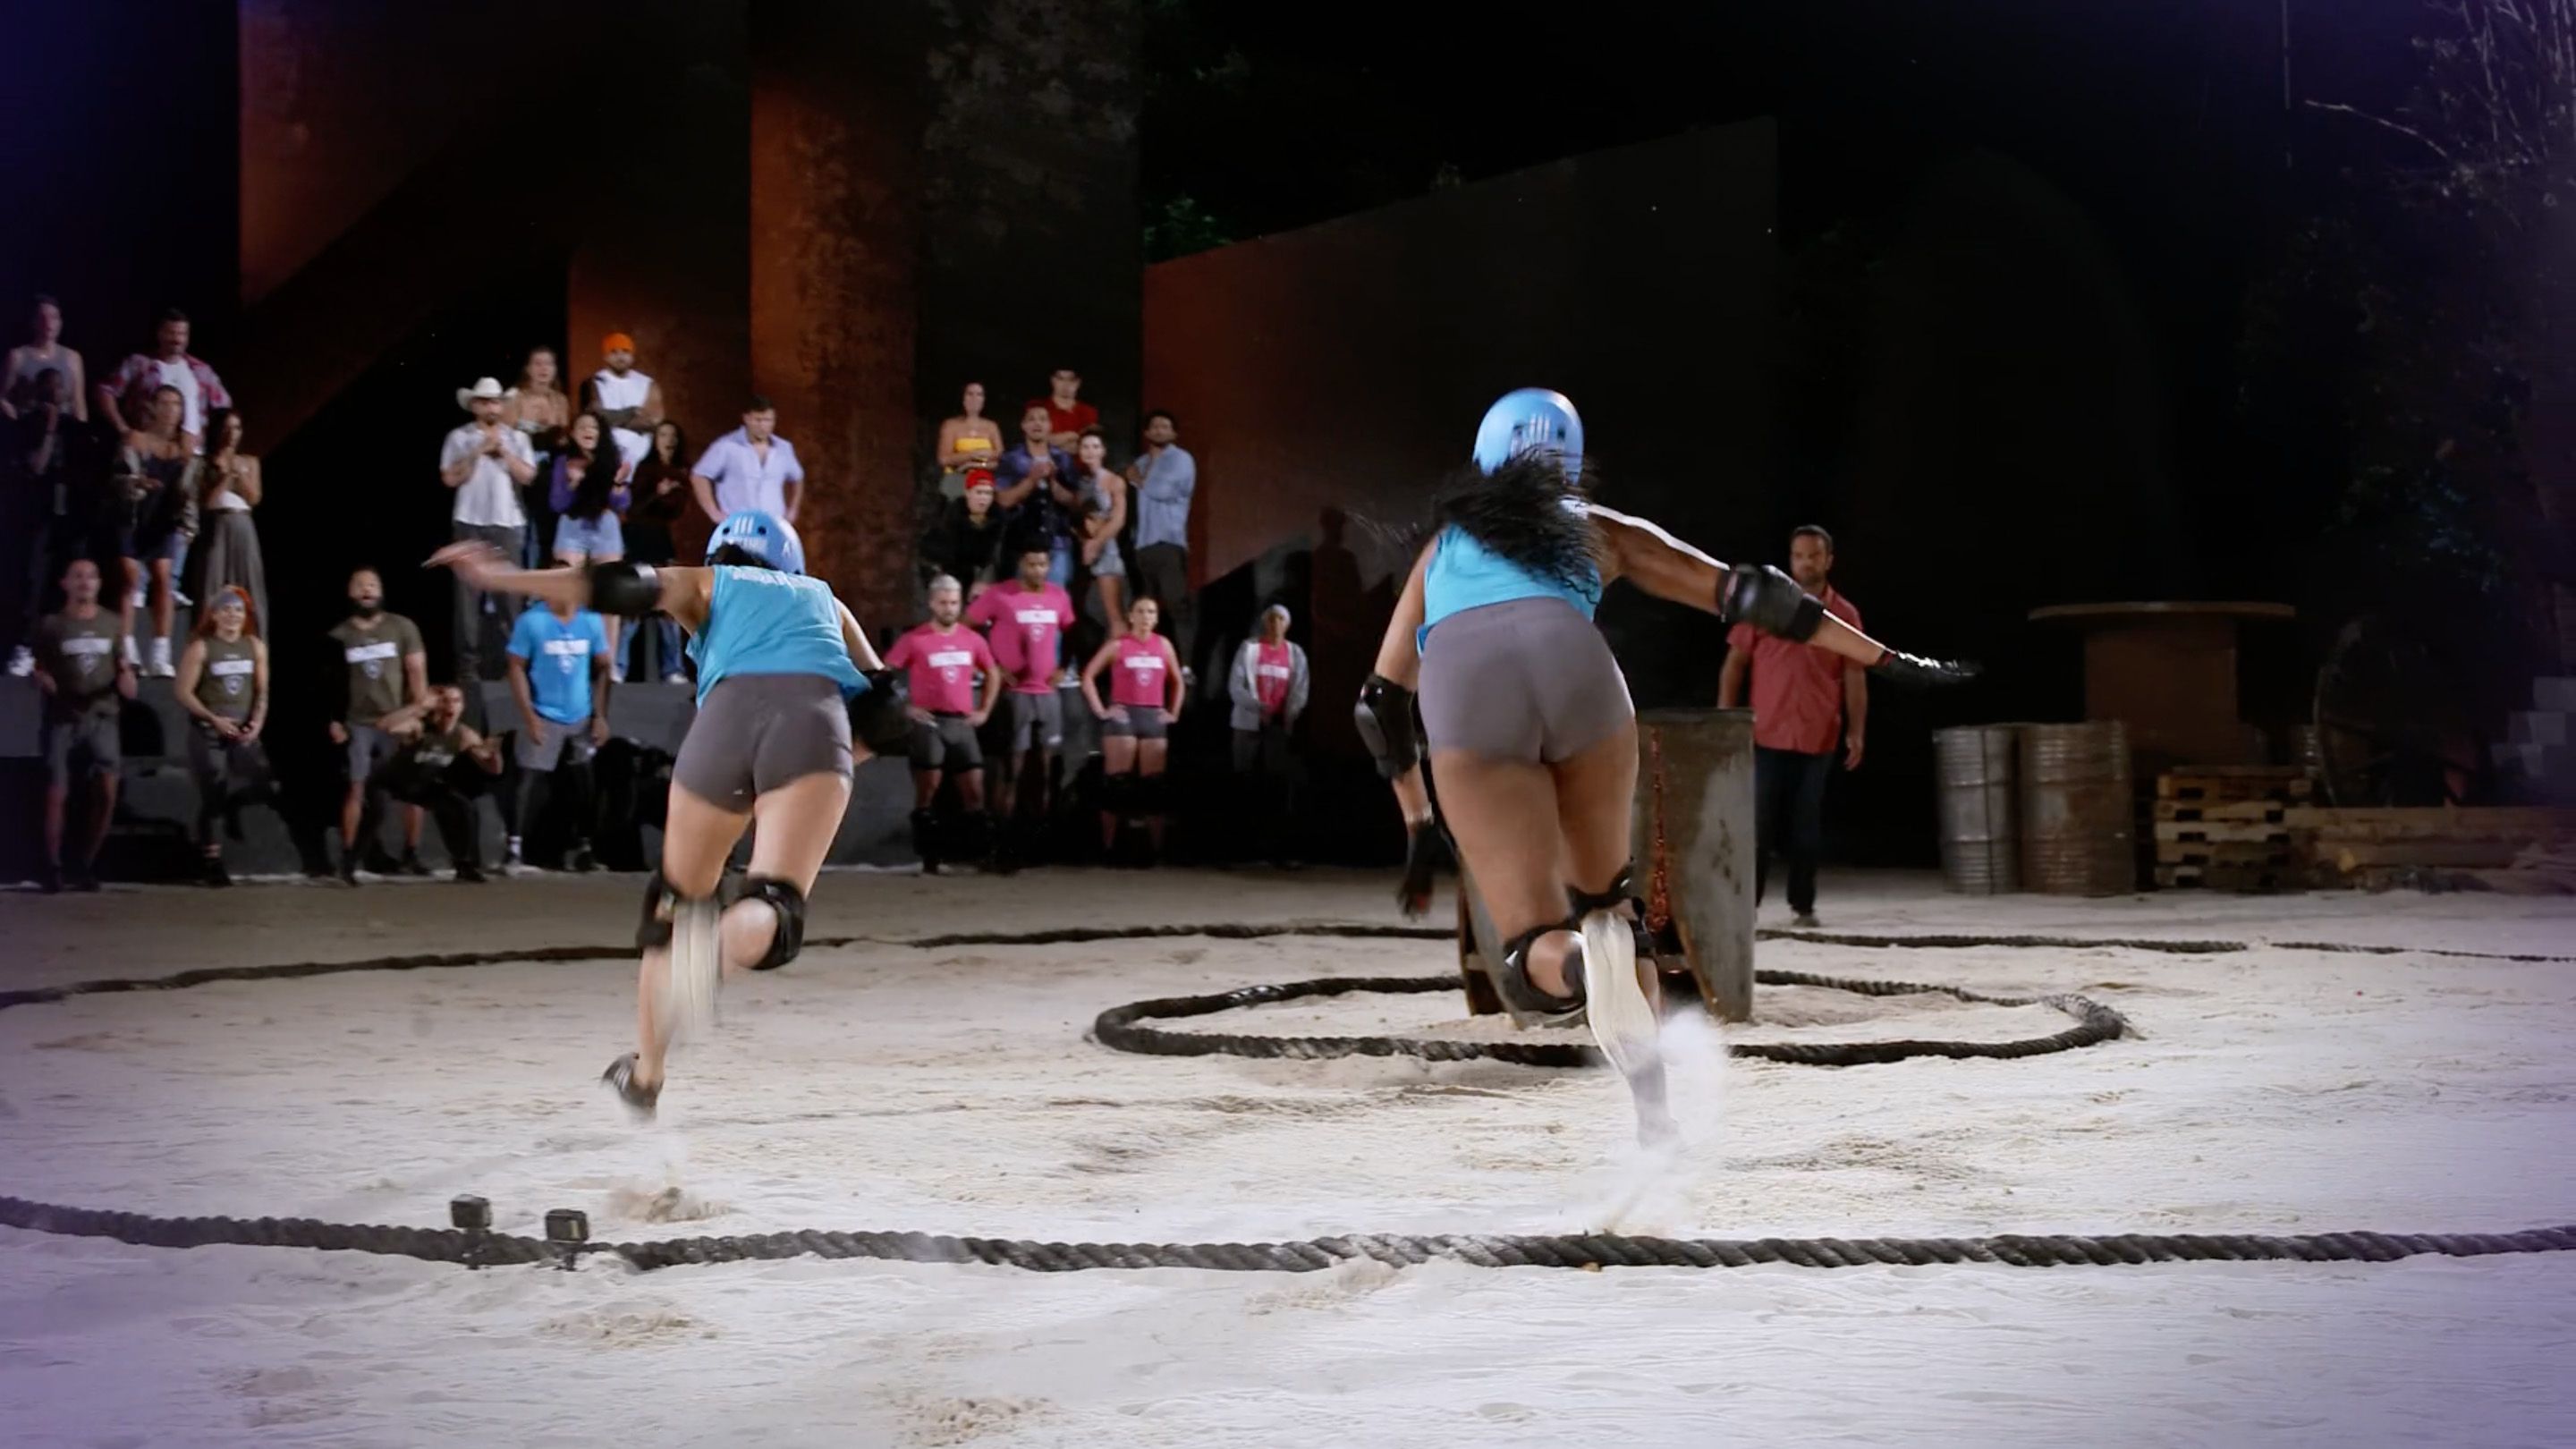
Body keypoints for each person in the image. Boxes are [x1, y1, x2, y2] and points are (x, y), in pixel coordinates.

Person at [1358, 389, 1974, 1144]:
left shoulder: (1441, 550)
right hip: (1577, 671)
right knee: (1614, 910)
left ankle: (1578, 970)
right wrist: (1889, 660)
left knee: (1529, 950)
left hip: (1470, 694)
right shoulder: (1598, 528)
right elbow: (1752, 594)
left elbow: (1380, 705)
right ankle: (1654, 1119)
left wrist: (1418, 820)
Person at [429, 509, 911, 1118]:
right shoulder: (824, 600)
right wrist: (830, 763)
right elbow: (889, 711)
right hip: (813, 726)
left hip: (722, 725)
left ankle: (645, 1077)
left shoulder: (707, 583)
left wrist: (501, 577)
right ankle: (711, 961)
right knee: (775, 903)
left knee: (674, 909)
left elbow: (611, 585)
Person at [1717, 525, 1867, 928]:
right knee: (1759, 824)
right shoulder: (1765, 606)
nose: (1806, 563)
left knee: (1806, 828)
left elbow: (1854, 675)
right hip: (1766, 733)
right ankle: (1746, 907)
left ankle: (1803, 905)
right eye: (1799, 556)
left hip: (1819, 735)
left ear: (1828, 560)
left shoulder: (1844, 615)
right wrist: (1725, 719)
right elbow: (1735, 664)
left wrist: (1857, 730)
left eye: (1814, 556)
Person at [965, 540, 1080, 868]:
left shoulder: (1058, 596)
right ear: (1021, 565)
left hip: (1047, 694)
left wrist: (1063, 666)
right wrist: (993, 667)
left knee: (1044, 770)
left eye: (1043, 564)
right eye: (1032, 564)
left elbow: (1073, 632)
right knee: (1010, 770)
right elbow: (966, 628)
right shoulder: (1000, 595)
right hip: (1014, 695)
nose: (1038, 570)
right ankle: (1002, 845)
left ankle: (1037, 844)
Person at [884, 574, 1002, 873]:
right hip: (930, 723)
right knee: (928, 791)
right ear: (932, 604)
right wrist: (906, 707)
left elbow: (993, 673)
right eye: (943, 603)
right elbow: (885, 675)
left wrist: (985, 710)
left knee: (974, 791)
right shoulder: (915, 639)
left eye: (954, 603)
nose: (949, 608)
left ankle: (981, 856)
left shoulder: (972, 639)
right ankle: (929, 859)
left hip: (961, 722)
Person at [30, 556, 134, 892]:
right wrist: (41, 676)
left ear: (99, 584)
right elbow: (38, 664)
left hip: (102, 716)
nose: (85, 582)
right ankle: (53, 866)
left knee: (106, 789)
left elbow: (123, 666)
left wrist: (127, 676)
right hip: (63, 716)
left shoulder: (112, 623)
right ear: (65, 583)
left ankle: (85, 864)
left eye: (91, 576)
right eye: (77, 576)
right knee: (56, 790)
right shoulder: (52, 625)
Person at [504, 569, 612, 873]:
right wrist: (529, 716)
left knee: (584, 784)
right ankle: (513, 848)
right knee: (526, 781)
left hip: (580, 715)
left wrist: (600, 715)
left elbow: (604, 668)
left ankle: (584, 848)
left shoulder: (591, 621)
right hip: (544, 712)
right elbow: (515, 667)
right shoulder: (531, 622)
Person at [326, 567, 428, 882]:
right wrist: (335, 720)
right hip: (359, 723)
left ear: (381, 591)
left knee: (412, 789)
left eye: (372, 584)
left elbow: (416, 672)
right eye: (360, 585)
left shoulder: (402, 627)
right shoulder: (340, 635)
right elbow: (331, 683)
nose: (367, 590)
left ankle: (411, 853)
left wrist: (417, 712)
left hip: (397, 720)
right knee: (357, 787)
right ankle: (348, 857)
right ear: (350, 593)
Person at [438, 377, 537, 686]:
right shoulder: (459, 437)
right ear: (474, 406)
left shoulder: (517, 438)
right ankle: (468, 667)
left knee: (510, 597)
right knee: (467, 600)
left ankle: (516, 664)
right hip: (469, 521)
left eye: (495, 401)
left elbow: (528, 476)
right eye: (484, 401)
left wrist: (503, 452)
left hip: (506, 522)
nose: (491, 407)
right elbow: (449, 479)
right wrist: (477, 450)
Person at [355, 684, 503, 884]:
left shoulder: (464, 735)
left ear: (462, 707)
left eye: (456, 701)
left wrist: (494, 755)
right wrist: (419, 706)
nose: (450, 706)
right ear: (437, 705)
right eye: (445, 701)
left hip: (422, 787)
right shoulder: (420, 726)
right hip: (391, 782)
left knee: (461, 806)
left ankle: (464, 864)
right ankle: (351, 863)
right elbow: (384, 726)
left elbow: (493, 768)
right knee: (377, 812)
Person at [173, 586, 270, 886]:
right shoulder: (201, 647)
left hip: (243, 731)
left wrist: (257, 722)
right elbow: (183, 692)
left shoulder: (254, 646)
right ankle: (212, 860)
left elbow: (261, 691)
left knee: (262, 779)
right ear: (214, 615)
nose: (232, 615)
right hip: (209, 732)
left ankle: (233, 810)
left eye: (238, 610)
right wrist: (212, 719)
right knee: (213, 788)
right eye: (226, 609)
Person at [1080, 595, 1182, 861]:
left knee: (1153, 786)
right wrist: (1102, 711)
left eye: (1151, 612)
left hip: (1152, 716)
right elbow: (1088, 676)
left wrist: (1173, 713)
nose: (1146, 617)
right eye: (1141, 611)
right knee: (1117, 785)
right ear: (1131, 616)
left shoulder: (1163, 645)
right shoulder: (1118, 645)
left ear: (1156, 618)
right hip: (1124, 715)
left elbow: (1178, 681)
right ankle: (1110, 848)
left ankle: (1155, 851)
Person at [111, 385, 196, 676]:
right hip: (134, 516)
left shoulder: (184, 448)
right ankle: (127, 647)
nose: (170, 410)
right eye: (164, 403)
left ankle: (160, 652)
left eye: (176, 404)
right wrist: (137, 483)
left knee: (162, 578)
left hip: (163, 520)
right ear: (153, 406)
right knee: (130, 578)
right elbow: (116, 479)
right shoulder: (136, 439)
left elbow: (189, 492)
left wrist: (187, 524)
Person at [1228, 603, 1309, 867]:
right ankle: (1243, 849)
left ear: (1287, 624)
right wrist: (1258, 707)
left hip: (1278, 726)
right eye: (1271, 620)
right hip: (1248, 724)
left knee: (1277, 784)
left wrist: (1288, 713)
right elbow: (1236, 686)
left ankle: (1277, 849)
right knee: (1245, 780)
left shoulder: (1295, 653)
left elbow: (1300, 689)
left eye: (1280, 620)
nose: (1275, 625)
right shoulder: (1249, 648)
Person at [550, 411, 630, 674]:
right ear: (573, 433)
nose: (588, 431)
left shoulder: (613, 460)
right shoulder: (564, 461)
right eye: (582, 426)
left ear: (600, 433)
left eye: (593, 427)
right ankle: (567, 659)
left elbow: (622, 503)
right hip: (573, 524)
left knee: (610, 596)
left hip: (605, 525)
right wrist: (573, 483)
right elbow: (557, 503)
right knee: (567, 590)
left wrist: (618, 484)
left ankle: (608, 664)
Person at [180, 408, 266, 640]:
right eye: (226, 428)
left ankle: (253, 642)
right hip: (217, 524)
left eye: (236, 428)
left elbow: (254, 497)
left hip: (243, 524)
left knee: (249, 583)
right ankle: (206, 642)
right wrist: (226, 477)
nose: (231, 434)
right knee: (213, 582)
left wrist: (240, 474)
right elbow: (206, 503)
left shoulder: (250, 461)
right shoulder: (203, 463)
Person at [1125, 408, 1196, 666]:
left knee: (1176, 605)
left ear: (1174, 433)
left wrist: (1138, 480)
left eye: (1165, 427)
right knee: (1145, 609)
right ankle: (1148, 661)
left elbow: (1162, 490)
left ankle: (1185, 665)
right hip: (1143, 544)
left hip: (1169, 542)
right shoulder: (1142, 462)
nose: (1159, 431)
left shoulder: (1181, 459)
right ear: (1146, 432)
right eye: (1154, 426)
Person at [623, 419, 690, 682]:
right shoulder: (645, 468)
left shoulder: (680, 472)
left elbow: (675, 508)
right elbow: (634, 509)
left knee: (668, 605)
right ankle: (618, 666)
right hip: (639, 538)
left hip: (662, 541)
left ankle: (673, 669)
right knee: (634, 604)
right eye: (663, 434)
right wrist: (657, 493)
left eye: (672, 435)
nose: (668, 440)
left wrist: (666, 495)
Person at [97, 309, 228, 445]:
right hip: (149, 447)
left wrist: (211, 435)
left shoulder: (202, 370)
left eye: (182, 334)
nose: (177, 339)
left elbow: (224, 407)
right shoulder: (140, 364)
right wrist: (123, 429)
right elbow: (105, 391)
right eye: (172, 333)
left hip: (193, 451)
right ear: (160, 334)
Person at [990, 404, 1080, 589]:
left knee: (1054, 599)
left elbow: (1075, 502)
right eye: (1031, 419)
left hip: (1057, 542)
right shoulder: (1011, 459)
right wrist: (1031, 480)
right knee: (1018, 600)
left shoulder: (1063, 459)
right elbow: (1003, 501)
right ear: (1023, 426)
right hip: (1020, 543)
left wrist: (1053, 482)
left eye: (1042, 419)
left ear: (1050, 426)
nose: (1037, 423)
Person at [690, 396, 803, 523]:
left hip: (774, 524)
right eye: (758, 420)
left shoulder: (784, 448)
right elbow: (699, 476)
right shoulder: (726, 446)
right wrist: (714, 513)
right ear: (746, 418)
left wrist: (793, 509)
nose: (763, 426)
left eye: (768, 420)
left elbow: (797, 477)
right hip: (739, 525)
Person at [508, 346, 573, 567]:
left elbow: (563, 437)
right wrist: (536, 427)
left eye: (549, 364)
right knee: (526, 526)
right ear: (528, 369)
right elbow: (507, 433)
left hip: (550, 468)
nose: (543, 369)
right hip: (522, 465)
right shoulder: (516, 397)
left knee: (546, 527)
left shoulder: (560, 400)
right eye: (538, 363)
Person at [1072, 428, 1129, 640]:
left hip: (1106, 552)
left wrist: (1095, 543)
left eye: (1095, 446)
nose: (1090, 451)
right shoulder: (1080, 482)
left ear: (1103, 451)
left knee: (1115, 617)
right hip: (1083, 553)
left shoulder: (1114, 481)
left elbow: (1118, 519)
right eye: (1085, 447)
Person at [918, 468, 1006, 600]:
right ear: (968, 493)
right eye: (979, 492)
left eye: (988, 493)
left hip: (981, 578)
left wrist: (984, 580)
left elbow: (996, 556)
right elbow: (933, 555)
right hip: (948, 575)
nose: (983, 498)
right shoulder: (949, 518)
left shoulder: (998, 520)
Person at [583, 333, 663, 477]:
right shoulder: (594, 382)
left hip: (640, 453)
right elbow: (595, 418)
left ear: (632, 356)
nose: (620, 357)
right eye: (614, 352)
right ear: (606, 356)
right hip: (605, 450)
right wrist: (631, 413)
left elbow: (654, 421)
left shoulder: (647, 383)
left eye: (625, 352)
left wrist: (612, 418)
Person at [3, 295, 88, 423]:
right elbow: (3, 397)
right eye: (42, 317)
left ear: (60, 323)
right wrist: (13, 420)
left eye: (53, 317)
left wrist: (80, 430)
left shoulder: (73, 358)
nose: (48, 323)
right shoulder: (17, 357)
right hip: (28, 427)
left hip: (64, 427)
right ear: (34, 322)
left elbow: (79, 403)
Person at [936, 381, 1004, 499]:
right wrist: (973, 454)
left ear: (984, 400)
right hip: (956, 479)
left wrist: (972, 464)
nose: (974, 398)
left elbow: (1000, 455)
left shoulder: (991, 426)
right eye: (970, 394)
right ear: (963, 398)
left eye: (979, 394)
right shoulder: (951, 425)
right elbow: (944, 459)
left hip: (984, 480)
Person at [1029, 368, 1098, 453]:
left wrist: (1052, 440)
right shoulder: (1037, 407)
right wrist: (1070, 436)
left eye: (1071, 380)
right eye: (1060, 379)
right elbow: (1032, 439)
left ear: (1078, 382)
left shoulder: (1089, 411)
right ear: (1053, 380)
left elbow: (1090, 445)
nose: (1066, 384)